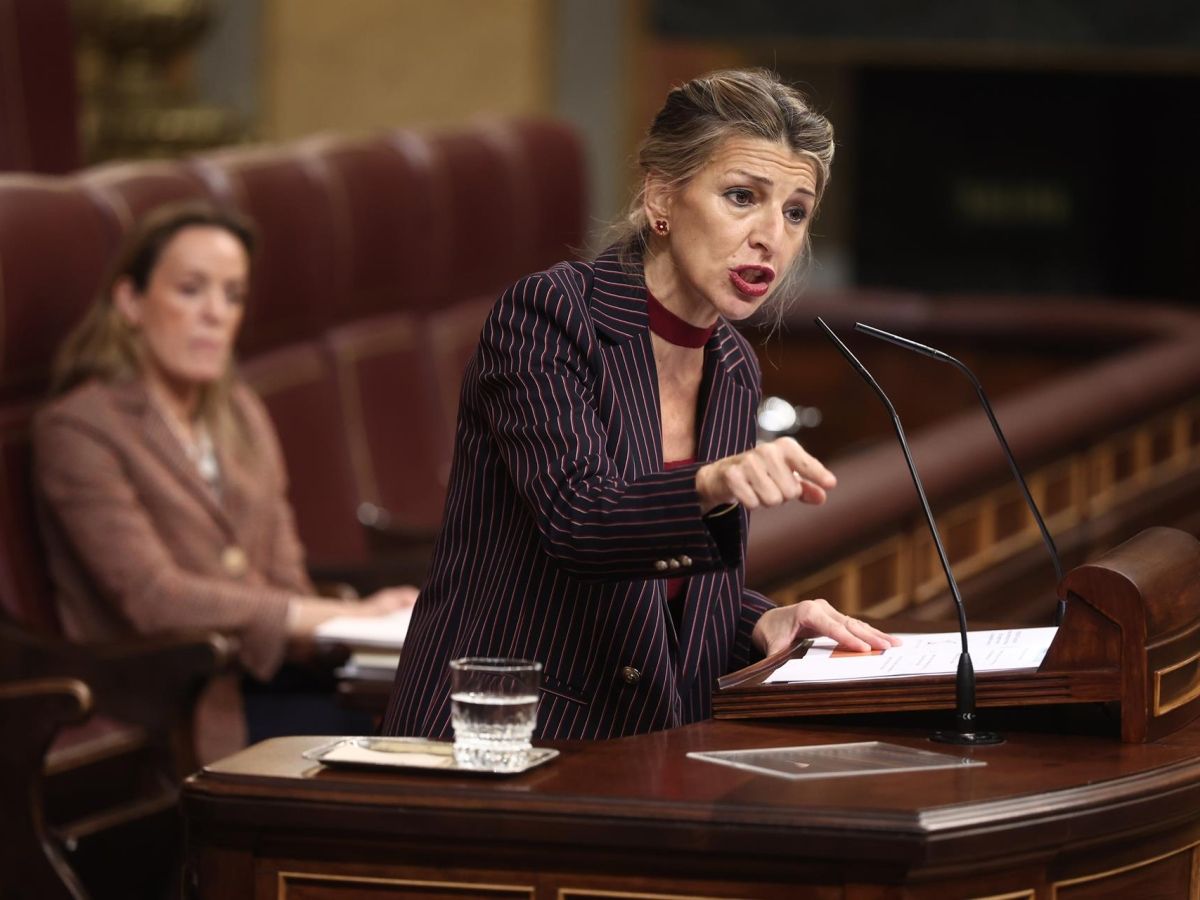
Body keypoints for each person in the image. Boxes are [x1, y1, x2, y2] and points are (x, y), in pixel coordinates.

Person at [382, 68, 899, 743]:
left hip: (644, 743)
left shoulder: (732, 367)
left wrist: (761, 621)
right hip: (500, 734)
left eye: (796, 211)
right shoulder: (549, 316)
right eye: (742, 197)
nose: (772, 236)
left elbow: (672, 583)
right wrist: (709, 483)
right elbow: (578, 520)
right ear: (661, 197)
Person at [34, 203, 416, 764]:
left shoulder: (239, 411)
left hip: (264, 669)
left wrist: (368, 624)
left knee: (421, 706)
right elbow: (153, 598)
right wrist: (341, 615)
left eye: (233, 295)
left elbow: (285, 572)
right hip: (174, 695)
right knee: (380, 741)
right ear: (130, 301)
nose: (215, 313)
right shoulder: (79, 428)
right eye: (191, 290)